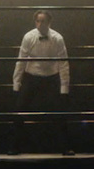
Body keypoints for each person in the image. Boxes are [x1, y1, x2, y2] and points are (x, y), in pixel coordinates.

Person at [9, 10, 73, 156]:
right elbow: (21, 60)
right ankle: (14, 146)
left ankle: (65, 147)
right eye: (37, 21)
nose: (39, 24)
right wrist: (16, 84)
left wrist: (64, 88)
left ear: (49, 23)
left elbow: (63, 63)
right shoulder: (29, 37)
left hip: (51, 77)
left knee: (60, 112)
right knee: (19, 109)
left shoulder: (57, 38)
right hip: (32, 76)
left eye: (42, 21)